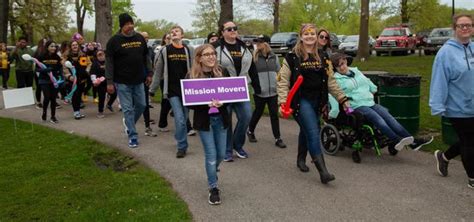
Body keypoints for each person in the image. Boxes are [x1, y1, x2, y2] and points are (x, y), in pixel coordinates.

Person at [277, 23, 348, 184]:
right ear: (301, 37)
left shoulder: (323, 57)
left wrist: (342, 98)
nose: (310, 36)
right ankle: (323, 172)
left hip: (318, 100)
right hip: (300, 101)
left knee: (307, 129)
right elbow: (283, 82)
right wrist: (283, 102)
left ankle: (301, 159)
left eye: (313, 34)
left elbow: (331, 81)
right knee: (313, 131)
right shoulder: (292, 57)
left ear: (316, 37)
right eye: (306, 34)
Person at [329, 52, 433, 162]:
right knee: (378, 119)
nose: (342, 67)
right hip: (356, 105)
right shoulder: (336, 79)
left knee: (389, 117)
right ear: (335, 68)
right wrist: (334, 111)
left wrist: (373, 89)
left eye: (343, 63)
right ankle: (396, 140)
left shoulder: (356, 71)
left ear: (346, 62)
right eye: (339, 65)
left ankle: (413, 142)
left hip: (370, 102)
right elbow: (334, 94)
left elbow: (368, 82)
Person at [430, 13, 474, 189]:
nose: (465, 28)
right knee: (469, 141)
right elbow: (439, 80)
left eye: (469, 25)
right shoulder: (445, 53)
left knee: (468, 139)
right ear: (454, 28)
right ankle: (472, 178)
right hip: (457, 105)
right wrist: (437, 104)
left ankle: (444, 157)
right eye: (461, 25)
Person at [187, 44, 231, 205]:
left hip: (221, 120)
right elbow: (189, 103)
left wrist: (222, 103)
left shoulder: (223, 72)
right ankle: (213, 187)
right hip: (204, 122)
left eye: (213, 53)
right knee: (211, 156)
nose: (212, 57)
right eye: (207, 54)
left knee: (220, 154)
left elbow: (231, 95)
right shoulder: (192, 76)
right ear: (199, 58)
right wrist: (205, 104)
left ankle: (212, 171)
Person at [212, 21, 261, 162]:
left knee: (246, 116)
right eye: (229, 29)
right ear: (222, 32)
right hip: (223, 88)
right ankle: (227, 150)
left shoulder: (245, 47)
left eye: (235, 28)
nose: (233, 30)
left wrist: (257, 88)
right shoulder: (216, 47)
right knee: (226, 120)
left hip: (241, 88)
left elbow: (252, 68)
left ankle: (237, 145)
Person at [105, 13, 152, 148]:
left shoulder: (139, 38)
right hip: (122, 82)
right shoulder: (114, 41)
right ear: (121, 26)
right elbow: (109, 63)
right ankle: (133, 136)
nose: (130, 26)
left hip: (139, 80)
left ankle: (129, 123)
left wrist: (149, 73)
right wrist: (109, 81)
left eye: (131, 23)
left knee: (142, 105)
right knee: (127, 109)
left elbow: (146, 58)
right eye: (127, 24)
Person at [150, 25, 193, 157]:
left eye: (177, 31)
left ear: (182, 35)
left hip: (187, 90)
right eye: (172, 31)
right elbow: (158, 71)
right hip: (172, 90)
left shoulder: (189, 50)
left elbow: (195, 68)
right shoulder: (165, 50)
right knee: (180, 119)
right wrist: (153, 89)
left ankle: (179, 136)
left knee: (184, 118)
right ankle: (182, 146)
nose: (174, 33)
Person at [247, 35, 286, 148]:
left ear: (267, 43)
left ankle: (278, 138)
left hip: (273, 91)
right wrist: (254, 86)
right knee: (258, 112)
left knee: (274, 114)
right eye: (257, 42)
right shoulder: (254, 58)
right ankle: (250, 131)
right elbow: (250, 74)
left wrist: (279, 84)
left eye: (260, 42)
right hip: (259, 91)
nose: (258, 44)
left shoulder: (274, 57)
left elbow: (279, 72)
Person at [62, 40, 91, 120]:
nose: (75, 46)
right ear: (70, 47)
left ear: (78, 46)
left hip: (82, 79)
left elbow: (89, 64)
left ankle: (78, 111)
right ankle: (76, 113)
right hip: (72, 80)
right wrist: (69, 76)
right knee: (75, 96)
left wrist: (87, 71)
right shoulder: (66, 56)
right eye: (73, 45)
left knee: (78, 96)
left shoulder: (83, 55)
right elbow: (64, 67)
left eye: (76, 45)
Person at [37, 40, 63, 123]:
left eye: (55, 46)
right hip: (44, 80)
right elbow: (36, 69)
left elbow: (60, 67)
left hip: (54, 81)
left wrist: (60, 76)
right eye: (51, 46)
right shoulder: (41, 56)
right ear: (47, 47)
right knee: (47, 97)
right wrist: (45, 70)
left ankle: (53, 116)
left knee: (53, 99)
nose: (53, 48)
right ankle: (44, 112)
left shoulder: (57, 57)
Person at [139, 31, 157, 137]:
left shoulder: (149, 49)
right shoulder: (135, 49)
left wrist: (150, 74)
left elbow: (150, 61)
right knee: (137, 103)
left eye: (147, 37)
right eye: (143, 37)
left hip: (145, 78)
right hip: (133, 79)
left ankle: (147, 126)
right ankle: (129, 122)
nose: (146, 39)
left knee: (145, 102)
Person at [90, 50, 117, 118]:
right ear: (96, 56)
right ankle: (100, 111)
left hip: (109, 82)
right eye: (99, 55)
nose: (101, 56)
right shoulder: (95, 64)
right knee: (102, 97)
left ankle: (109, 104)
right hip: (100, 84)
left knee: (114, 94)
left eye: (102, 54)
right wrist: (95, 80)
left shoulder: (108, 62)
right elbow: (92, 74)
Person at [156, 33, 172, 132]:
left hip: (176, 79)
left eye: (171, 38)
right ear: (164, 40)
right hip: (164, 80)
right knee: (166, 101)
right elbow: (156, 65)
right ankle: (162, 124)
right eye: (168, 38)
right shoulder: (161, 50)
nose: (169, 40)